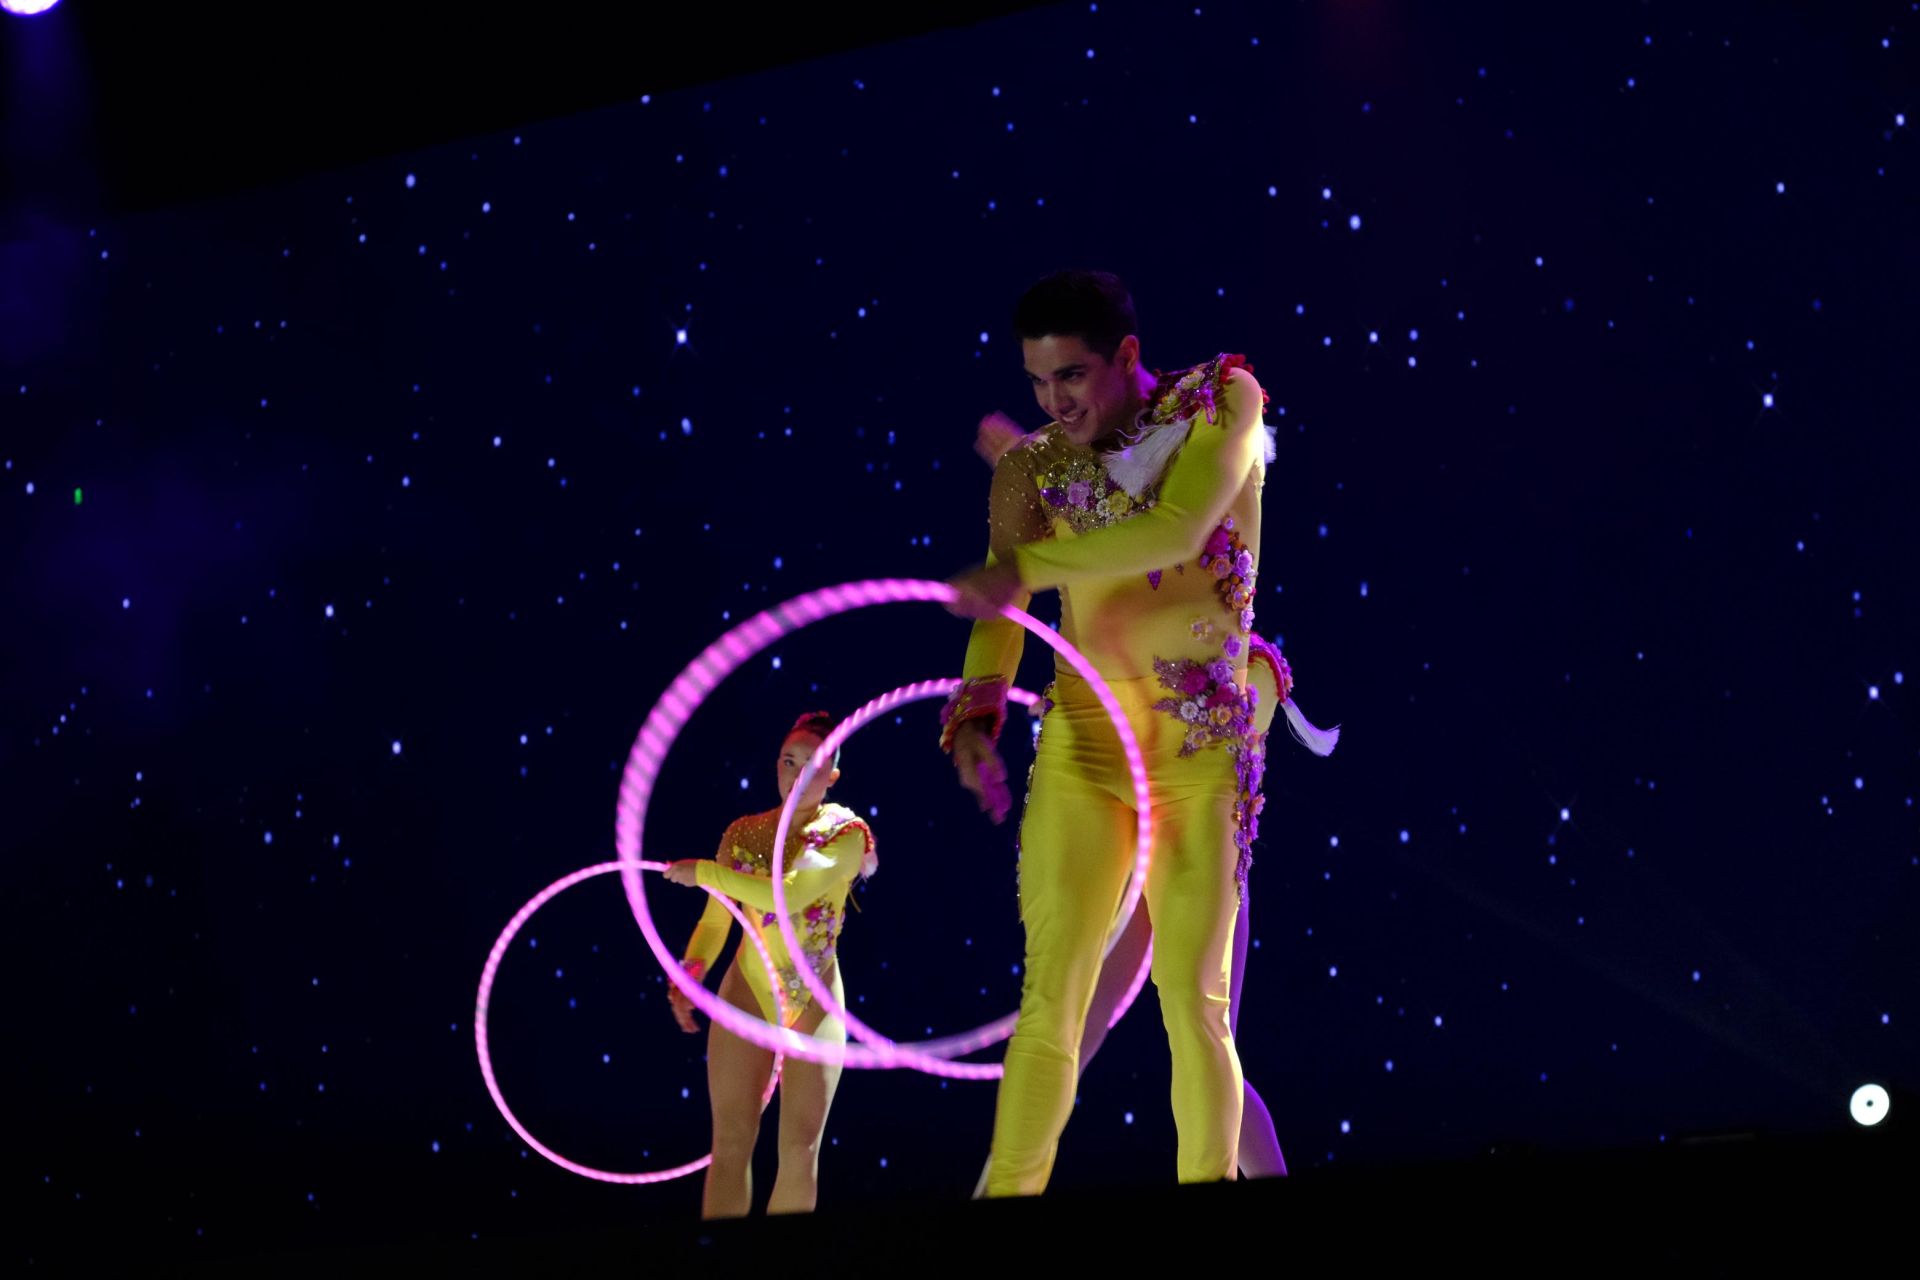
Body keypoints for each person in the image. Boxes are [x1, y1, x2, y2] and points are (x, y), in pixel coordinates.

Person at [943, 269, 1336, 1195]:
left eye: (1071, 376)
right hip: (1083, 745)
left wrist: (1027, 564)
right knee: (1050, 1006)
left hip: (1200, 752)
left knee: (1194, 1009)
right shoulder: (1030, 466)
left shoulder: (1220, 400)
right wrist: (977, 713)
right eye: (1039, 383)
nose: (1053, 401)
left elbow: (1175, 528)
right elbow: (1006, 607)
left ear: (1126, 356)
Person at [662, 711, 876, 1218]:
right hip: (749, 990)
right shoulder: (742, 833)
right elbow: (716, 922)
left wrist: (705, 872)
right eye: (788, 761)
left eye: (812, 764)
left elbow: (791, 895)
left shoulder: (846, 834)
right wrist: (690, 969)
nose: (797, 774)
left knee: (798, 1149)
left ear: (832, 776)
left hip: (814, 1001)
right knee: (731, 1142)